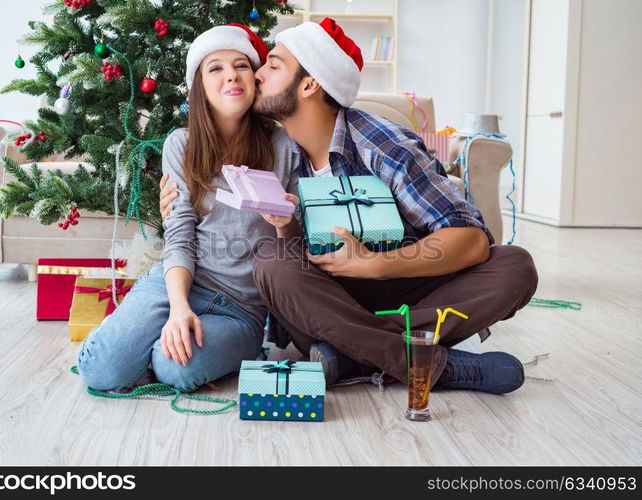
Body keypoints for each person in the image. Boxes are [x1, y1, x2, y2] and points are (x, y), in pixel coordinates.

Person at [161, 18, 538, 394]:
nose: (256, 75)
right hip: (327, 299)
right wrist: (172, 199)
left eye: (273, 66)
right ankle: (430, 364)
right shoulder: (278, 149)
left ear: (309, 84)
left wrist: (376, 263)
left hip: (401, 290)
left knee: (515, 265)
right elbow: (214, 186)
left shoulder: (382, 144)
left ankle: (354, 357)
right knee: (275, 261)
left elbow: (471, 240)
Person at [76, 24, 299, 393]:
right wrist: (179, 308)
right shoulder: (181, 144)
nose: (231, 75)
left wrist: (283, 224)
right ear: (199, 86)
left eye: (241, 65)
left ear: (254, 78)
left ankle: (152, 352)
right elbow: (179, 234)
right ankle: (135, 344)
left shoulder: (283, 146)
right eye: (216, 68)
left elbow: (293, 248)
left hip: (241, 310)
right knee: (101, 371)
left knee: (175, 368)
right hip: (178, 285)